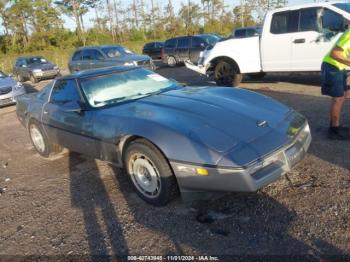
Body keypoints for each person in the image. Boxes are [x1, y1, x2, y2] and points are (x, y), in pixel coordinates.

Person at [321, 27, 350, 140]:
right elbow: (335, 53)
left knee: (342, 97)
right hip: (332, 66)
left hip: (339, 67)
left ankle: (335, 125)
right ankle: (333, 130)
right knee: (337, 98)